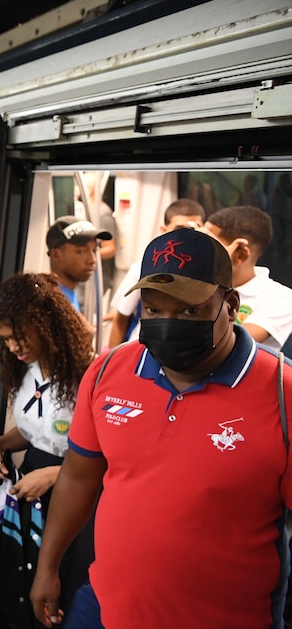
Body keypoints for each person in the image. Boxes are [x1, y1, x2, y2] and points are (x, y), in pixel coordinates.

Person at [30, 227, 292, 629]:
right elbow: (79, 478)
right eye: (153, 311)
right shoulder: (108, 372)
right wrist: (48, 566)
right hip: (101, 608)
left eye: (189, 311)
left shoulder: (281, 393)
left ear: (231, 304)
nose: (168, 325)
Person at [0, 273, 95, 627]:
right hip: (33, 491)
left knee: (62, 585)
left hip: (76, 496)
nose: (14, 347)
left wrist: (56, 475)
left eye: (20, 336)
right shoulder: (28, 372)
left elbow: (111, 457)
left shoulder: (88, 377)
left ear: (47, 324)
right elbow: (34, 433)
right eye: (7, 340)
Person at [108, 199, 206, 347]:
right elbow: (121, 319)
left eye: (193, 230)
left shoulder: (208, 272)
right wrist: (112, 360)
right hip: (143, 346)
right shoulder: (141, 269)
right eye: (179, 229)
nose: (186, 237)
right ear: (164, 231)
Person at [203, 205, 292, 351]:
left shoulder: (281, 299)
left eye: (210, 245)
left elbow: (222, 344)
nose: (199, 251)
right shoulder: (197, 282)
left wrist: (218, 271)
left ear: (240, 255)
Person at [45, 216, 113, 314]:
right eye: (81, 251)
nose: (92, 260)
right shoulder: (50, 304)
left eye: (94, 250)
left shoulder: (67, 296)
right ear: (56, 255)